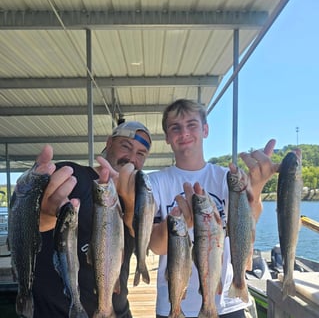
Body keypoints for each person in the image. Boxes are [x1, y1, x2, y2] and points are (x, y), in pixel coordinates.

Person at [147, 99, 279, 318]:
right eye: (175, 128)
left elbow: (249, 221)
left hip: (228, 300)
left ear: (205, 130)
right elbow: (156, 246)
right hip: (175, 303)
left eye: (192, 125)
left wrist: (256, 190)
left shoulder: (227, 177)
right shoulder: (155, 183)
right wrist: (180, 223)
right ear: (168, 138)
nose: (184, 133)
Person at [23, 121, 151, 318]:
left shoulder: (137, 198)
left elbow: (147, 240)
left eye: (141, 154)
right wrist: (40, 214)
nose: (131, 158)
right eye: (126, 146)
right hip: (56, 311)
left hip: (118, 311)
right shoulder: (73, 175)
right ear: (109, 144)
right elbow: (31, 214)